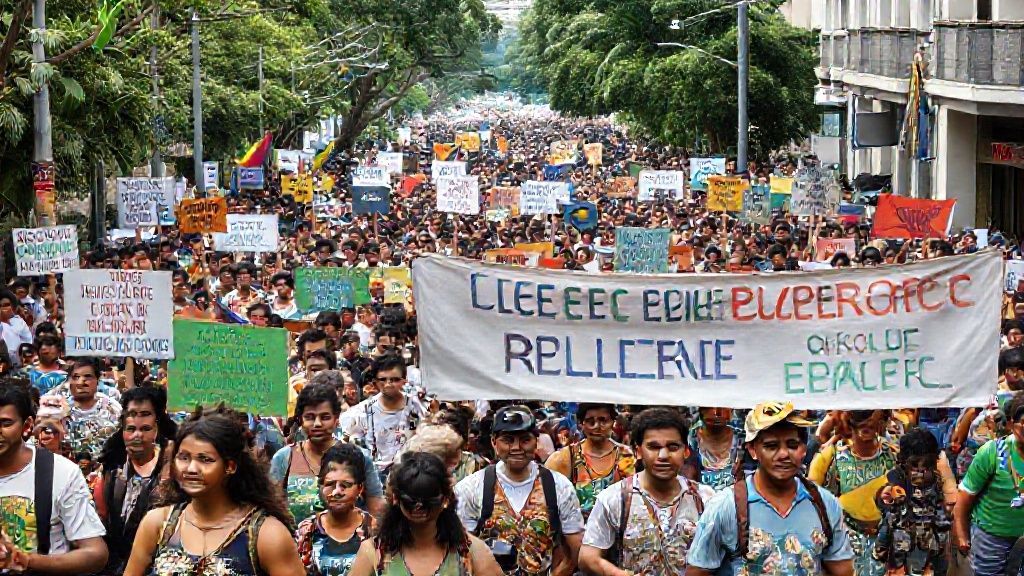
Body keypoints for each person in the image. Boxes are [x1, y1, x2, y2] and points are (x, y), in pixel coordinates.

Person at [123, 407, 305, 576]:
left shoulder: (267, 534)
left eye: (205, 459)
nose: (191, 468)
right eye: (184, 457)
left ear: (230, 466)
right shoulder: (157, 524)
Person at [686, 401, 854, 576]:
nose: (783, 454)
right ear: (753, 450)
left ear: (803, 449)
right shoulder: (725, 506)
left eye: (792, 445)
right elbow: (697, 570)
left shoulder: (825, 504)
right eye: (771, 446)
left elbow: (842, 569)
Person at [579, 407, 714, 575]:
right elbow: (588, 558)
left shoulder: (705, 498)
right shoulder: (615, 498)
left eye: (673, 447)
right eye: (653, 447)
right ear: (638, 451)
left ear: (686, 451)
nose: (663, 455)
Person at [454, 405, 585, 576]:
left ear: (536, 442)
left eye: (525, 440)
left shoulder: (559, 487)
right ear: (494, 442)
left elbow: (576, 550)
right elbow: (461, 550)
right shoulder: (471, 488)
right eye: (508, 440)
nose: (516, 447)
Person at [0, 376, 108, 573]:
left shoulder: (60, 473)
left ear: (27, 426)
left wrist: (26, 560)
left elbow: (95, 553)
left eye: (5, 423)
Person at [348, 452, 502, 576]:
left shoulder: (472, 552)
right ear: (395, 498)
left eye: (427, 499)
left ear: (446, 498)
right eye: (411, 499)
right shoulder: (373, 553)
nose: (419, 507)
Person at [93, 386, 178, 575]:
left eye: (145, 415)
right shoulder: (112, 462)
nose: (137, 434)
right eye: (132, 415)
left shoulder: (174, 464)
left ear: (157, 422)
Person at [271, 384, 385, 522]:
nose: (317, 424)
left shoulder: (359, 457)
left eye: (325, 417)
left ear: (336, 420)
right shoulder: (284, 458)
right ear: (301, 420)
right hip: (296, 541)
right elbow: (272, 509)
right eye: (310, 417)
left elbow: (376, 510)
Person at [808, 410, 898, 576]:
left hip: (887, 544)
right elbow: (810, 496)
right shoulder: (830, 455)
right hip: (843, 545)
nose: (865, 420)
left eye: (870, 414)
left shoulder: (894, 453)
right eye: (859, 416)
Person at [953, 392, 1024, 576]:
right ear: (1010, 424)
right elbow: (964, 497)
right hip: (991, 539)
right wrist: (961, 534)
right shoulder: (991, 453)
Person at [872, 428, 950, 576]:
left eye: (927, 465)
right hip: (901, 545)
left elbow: (942, 519)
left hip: (929, 545)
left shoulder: (936, 481)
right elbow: (884, 504)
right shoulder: (897, 478)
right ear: (904, 462)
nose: (921, 471)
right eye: (915, 465)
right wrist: (885, 497)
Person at [341, 354, 427, 482]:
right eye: (383, 380)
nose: (388, 384)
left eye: (395, 379)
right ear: (375, 382)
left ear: (404, 380)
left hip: (414, 477)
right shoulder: (361, 412)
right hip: (375, 478)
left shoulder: (419, 407)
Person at [295, 443, 376, 576]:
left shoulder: (374, 531)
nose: (337, 492)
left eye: (345, 485)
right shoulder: (306, 532)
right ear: (320, 486)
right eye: (330, 484)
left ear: (360, 488)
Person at [545, 403, 635, 521]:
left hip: (616, 531)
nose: (597, 426)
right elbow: (548, 496)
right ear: (582, 424)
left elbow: (631, 497)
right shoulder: (566, 457)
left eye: (603, 420)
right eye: (590, 421)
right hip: (578, 533)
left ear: (613, 422)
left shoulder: (625, 454)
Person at [42, 357, 122, 460]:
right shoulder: (56, 410)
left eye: (88, 377)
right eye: (76, 377)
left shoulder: (113, 409)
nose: (81, 382)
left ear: (97, 380)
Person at [688, 407, 745, 491]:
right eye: (710, 407)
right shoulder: (692, 437)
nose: (717, 413)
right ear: (701, 410)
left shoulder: (741, 437)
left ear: (731, 411)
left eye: (723, 408)